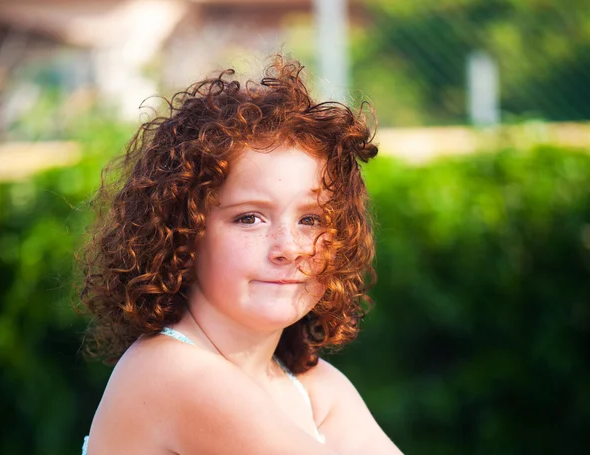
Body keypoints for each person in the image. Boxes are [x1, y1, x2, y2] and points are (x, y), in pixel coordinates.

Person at [78, 55, 403, 455]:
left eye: (312, 219)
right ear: (184, 234)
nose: (289, 247)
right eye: (249, 218)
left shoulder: (313, 388)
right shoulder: (171, 373)